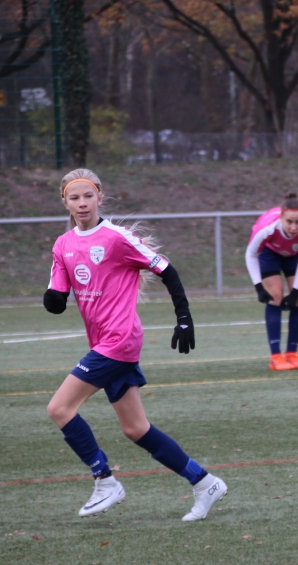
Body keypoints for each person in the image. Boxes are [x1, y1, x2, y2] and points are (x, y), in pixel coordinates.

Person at [43, 168, 227, 521]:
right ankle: (205, 483)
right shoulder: (63, 245)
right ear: (64, 202)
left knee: (60, 409)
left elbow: (167, 270)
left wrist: (184, 318)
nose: (82, 203)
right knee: (135, 428)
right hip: (103, 341)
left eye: (88, 195)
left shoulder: (117, 237)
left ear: (100, 197)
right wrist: (53, 298)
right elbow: (57, 294)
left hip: (119, 340)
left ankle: (105, 481)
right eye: (74, 197)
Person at [245, 193, 298, 371]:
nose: (293, 227)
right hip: (269, 252)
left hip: (294, 255)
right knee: (275, 295)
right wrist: (258, 286)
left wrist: (295, 292)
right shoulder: (267, 230)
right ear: (281, 218)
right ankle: (275, 357)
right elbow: (251, 254)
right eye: (289, 222)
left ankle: (292, 354)